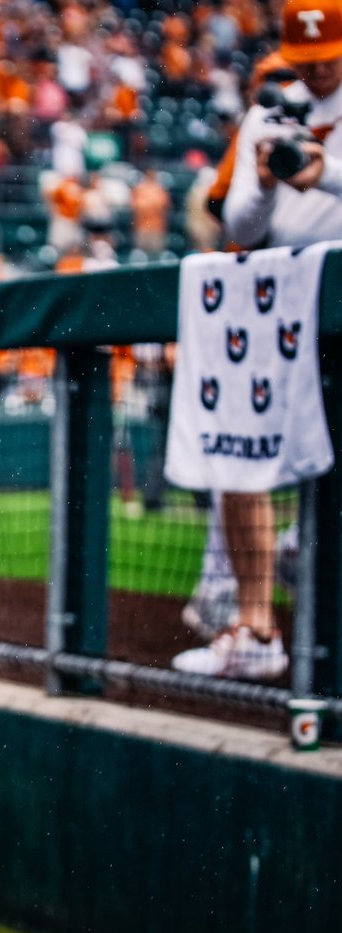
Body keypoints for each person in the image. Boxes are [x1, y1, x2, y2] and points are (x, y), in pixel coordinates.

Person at [176, 0, 342, 678]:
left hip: (331, 290)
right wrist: (273, 183)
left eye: (328, 52)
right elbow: (242, 225)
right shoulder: (271, 110)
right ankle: (255, 628)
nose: (319, 67)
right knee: (242, 456)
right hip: (278, 300)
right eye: (307, 59)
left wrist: (321, 173)